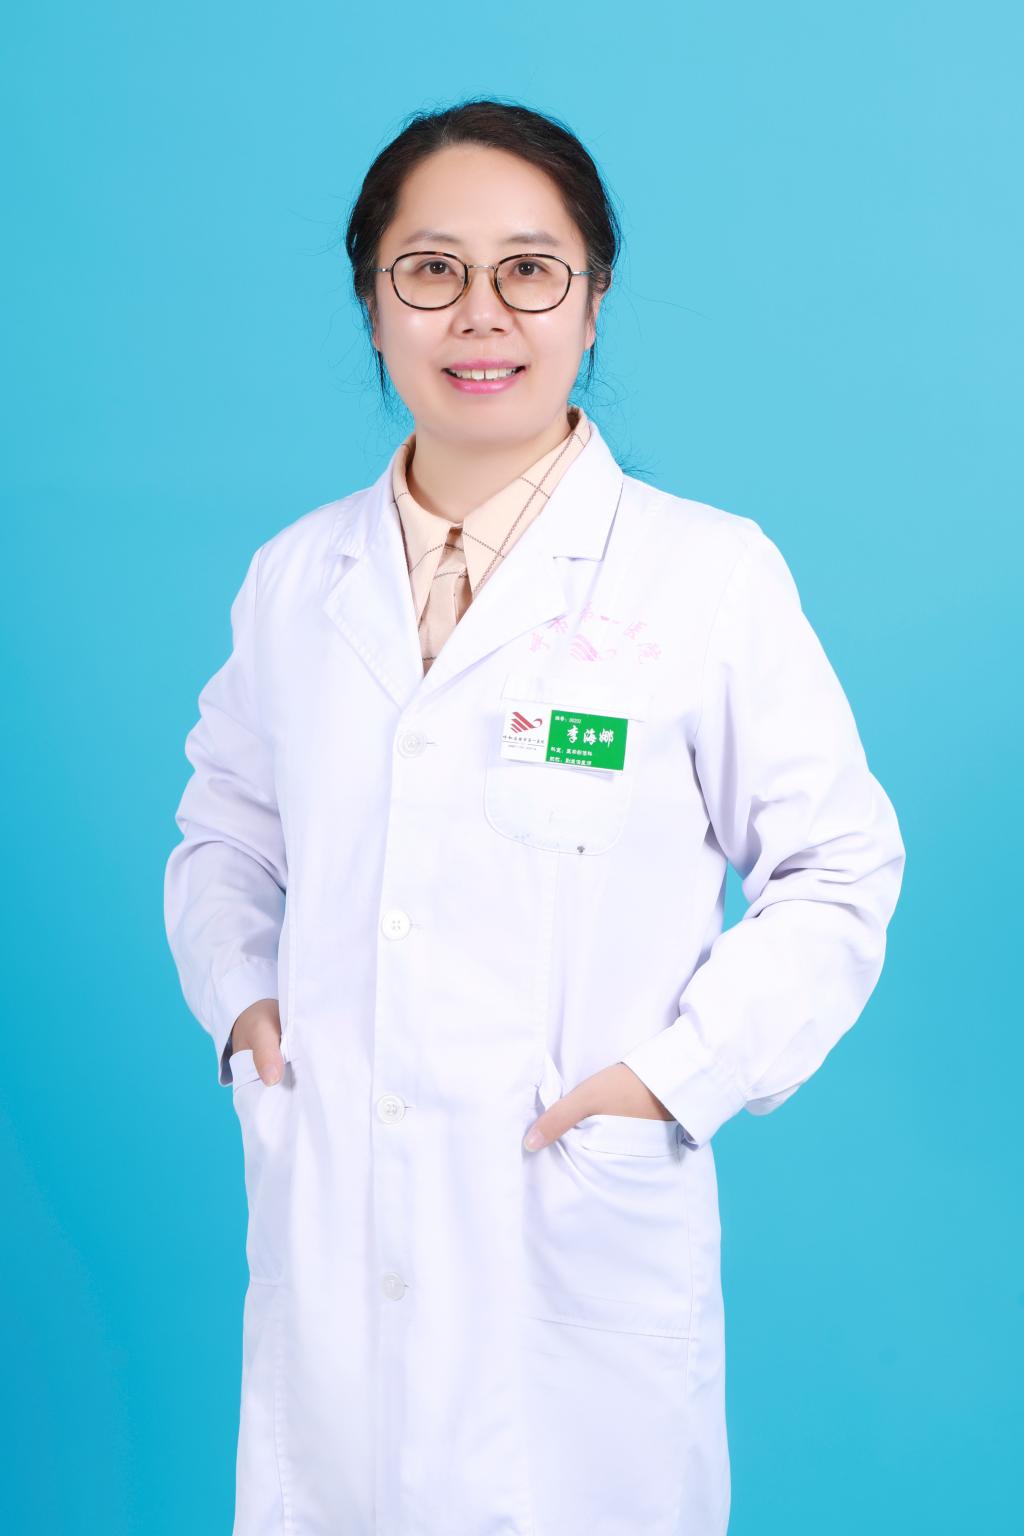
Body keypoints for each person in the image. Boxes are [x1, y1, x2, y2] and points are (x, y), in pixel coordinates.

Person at [163, 97, 906, 1536]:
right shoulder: (295, 581)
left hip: (572, 1234)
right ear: (374, 302)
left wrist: (675, 1076)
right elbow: (225, 836)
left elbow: (837, 867)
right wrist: (247, 1007)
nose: (480, 313)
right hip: (337, 1227)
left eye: (529, 269)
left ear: (593, 298)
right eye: (431, 269)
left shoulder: (707, 575)